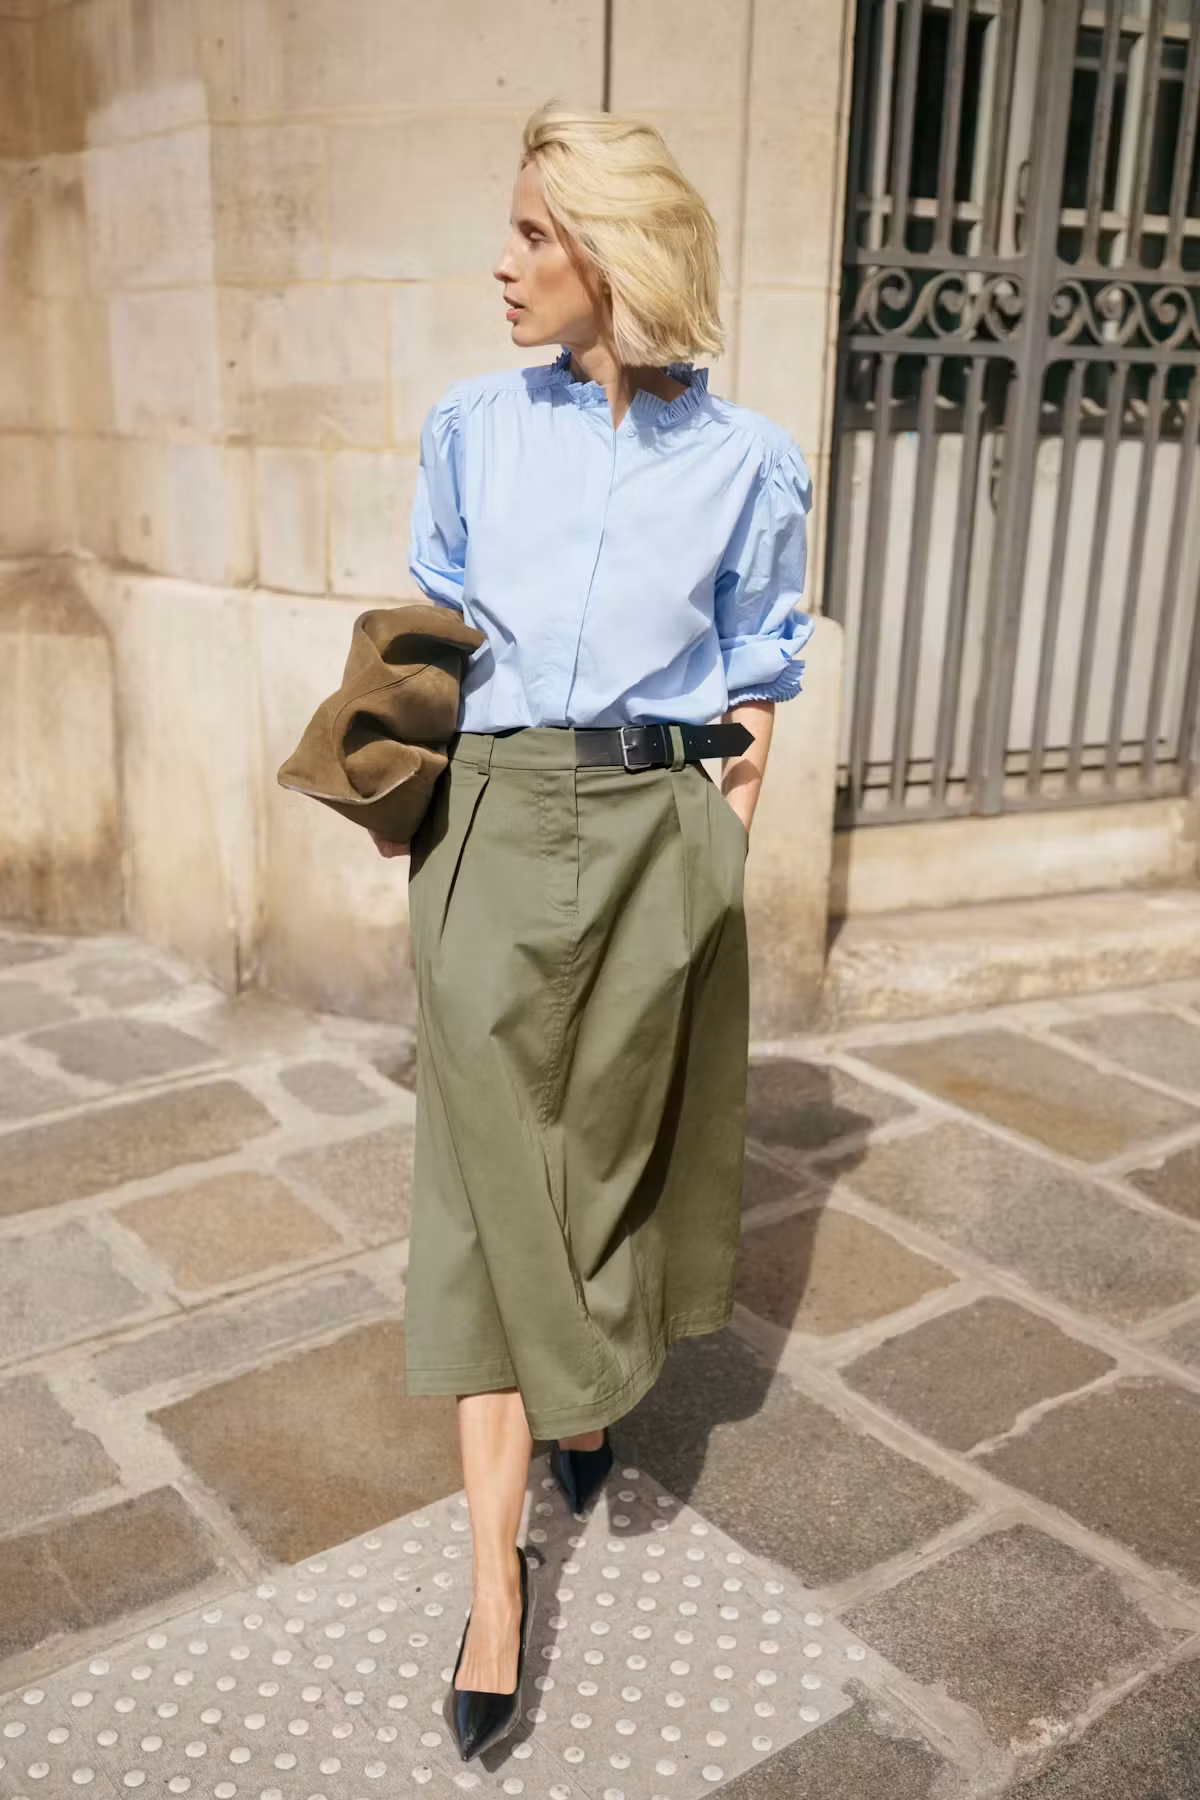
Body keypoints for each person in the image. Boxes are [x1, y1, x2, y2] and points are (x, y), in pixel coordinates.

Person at [369, 100, 815, 1763]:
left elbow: (760, 669)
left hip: (654, 834)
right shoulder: (473, 428)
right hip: (491, 824)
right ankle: (497, 1582)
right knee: (487, 1191)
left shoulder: (751, 462)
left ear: (613, 256)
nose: (503, 264)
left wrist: (720, 851)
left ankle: (586, 1399)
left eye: (535, 235)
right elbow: (433, 631)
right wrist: (412, 810)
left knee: (609, 1155)